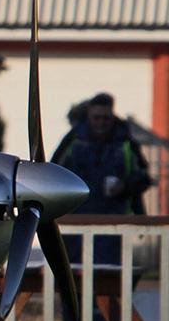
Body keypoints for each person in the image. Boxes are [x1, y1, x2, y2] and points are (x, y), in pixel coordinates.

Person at [53, 92, 152, 271]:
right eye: (96, 118)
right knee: (74, 279)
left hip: (113, 225)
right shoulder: (74, 140)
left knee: (108, 280)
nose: (101, 123)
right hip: (75, 224)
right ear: (88, 116)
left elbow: (144, 177)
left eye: (105, 118)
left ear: (112, 116)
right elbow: (53, 174)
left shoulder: (126, 142)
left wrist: (124, 186)